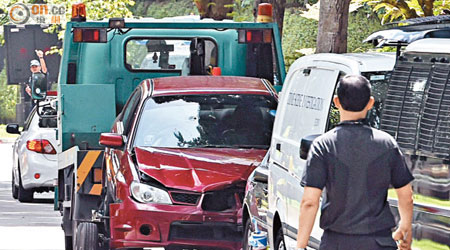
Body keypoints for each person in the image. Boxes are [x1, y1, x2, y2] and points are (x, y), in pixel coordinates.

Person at [296, 75, 414, 250]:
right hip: (378, 242)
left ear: (336, 102)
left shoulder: (323, 145)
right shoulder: (387, 144)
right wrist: (405, 226)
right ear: (370, 103)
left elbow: (309, 202)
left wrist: (300, 245)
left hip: (336, 242)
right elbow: (406, 196)